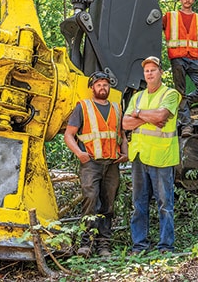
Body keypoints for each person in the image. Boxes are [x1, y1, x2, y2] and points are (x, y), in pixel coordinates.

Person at [64, 71, 129, 257]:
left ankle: (104, 245)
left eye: (106, 84)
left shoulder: (117, 108)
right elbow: (69, 135)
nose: (103, 87)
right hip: (91, 163)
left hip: (112, 164)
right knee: (90, 201)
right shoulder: (83, 107)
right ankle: (86, 244)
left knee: (108, 205)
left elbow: (122, 136)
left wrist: (125, 153)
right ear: (92, 87)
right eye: (99, 84)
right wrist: (79, 153)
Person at [123, 56, 182, 254]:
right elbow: (125, 123)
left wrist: (137, 115)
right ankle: (139, 245)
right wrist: (146, 116)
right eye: (147, 70)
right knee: (138, 204)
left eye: (153, 70)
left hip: (161, 156)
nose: (149, 73)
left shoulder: (171, 94)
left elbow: (161, 117)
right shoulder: (137, 97)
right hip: (139, 156)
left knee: (165, 204)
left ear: (161, 73)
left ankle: (166, 246)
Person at [163, 0, 198, 137]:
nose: (187, 0)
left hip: (195, 59)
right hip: (177, 58)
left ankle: (184, 104)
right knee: (180, 92)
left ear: (193, 0)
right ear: (180, 0)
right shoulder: (170, 16)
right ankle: (186, 126)